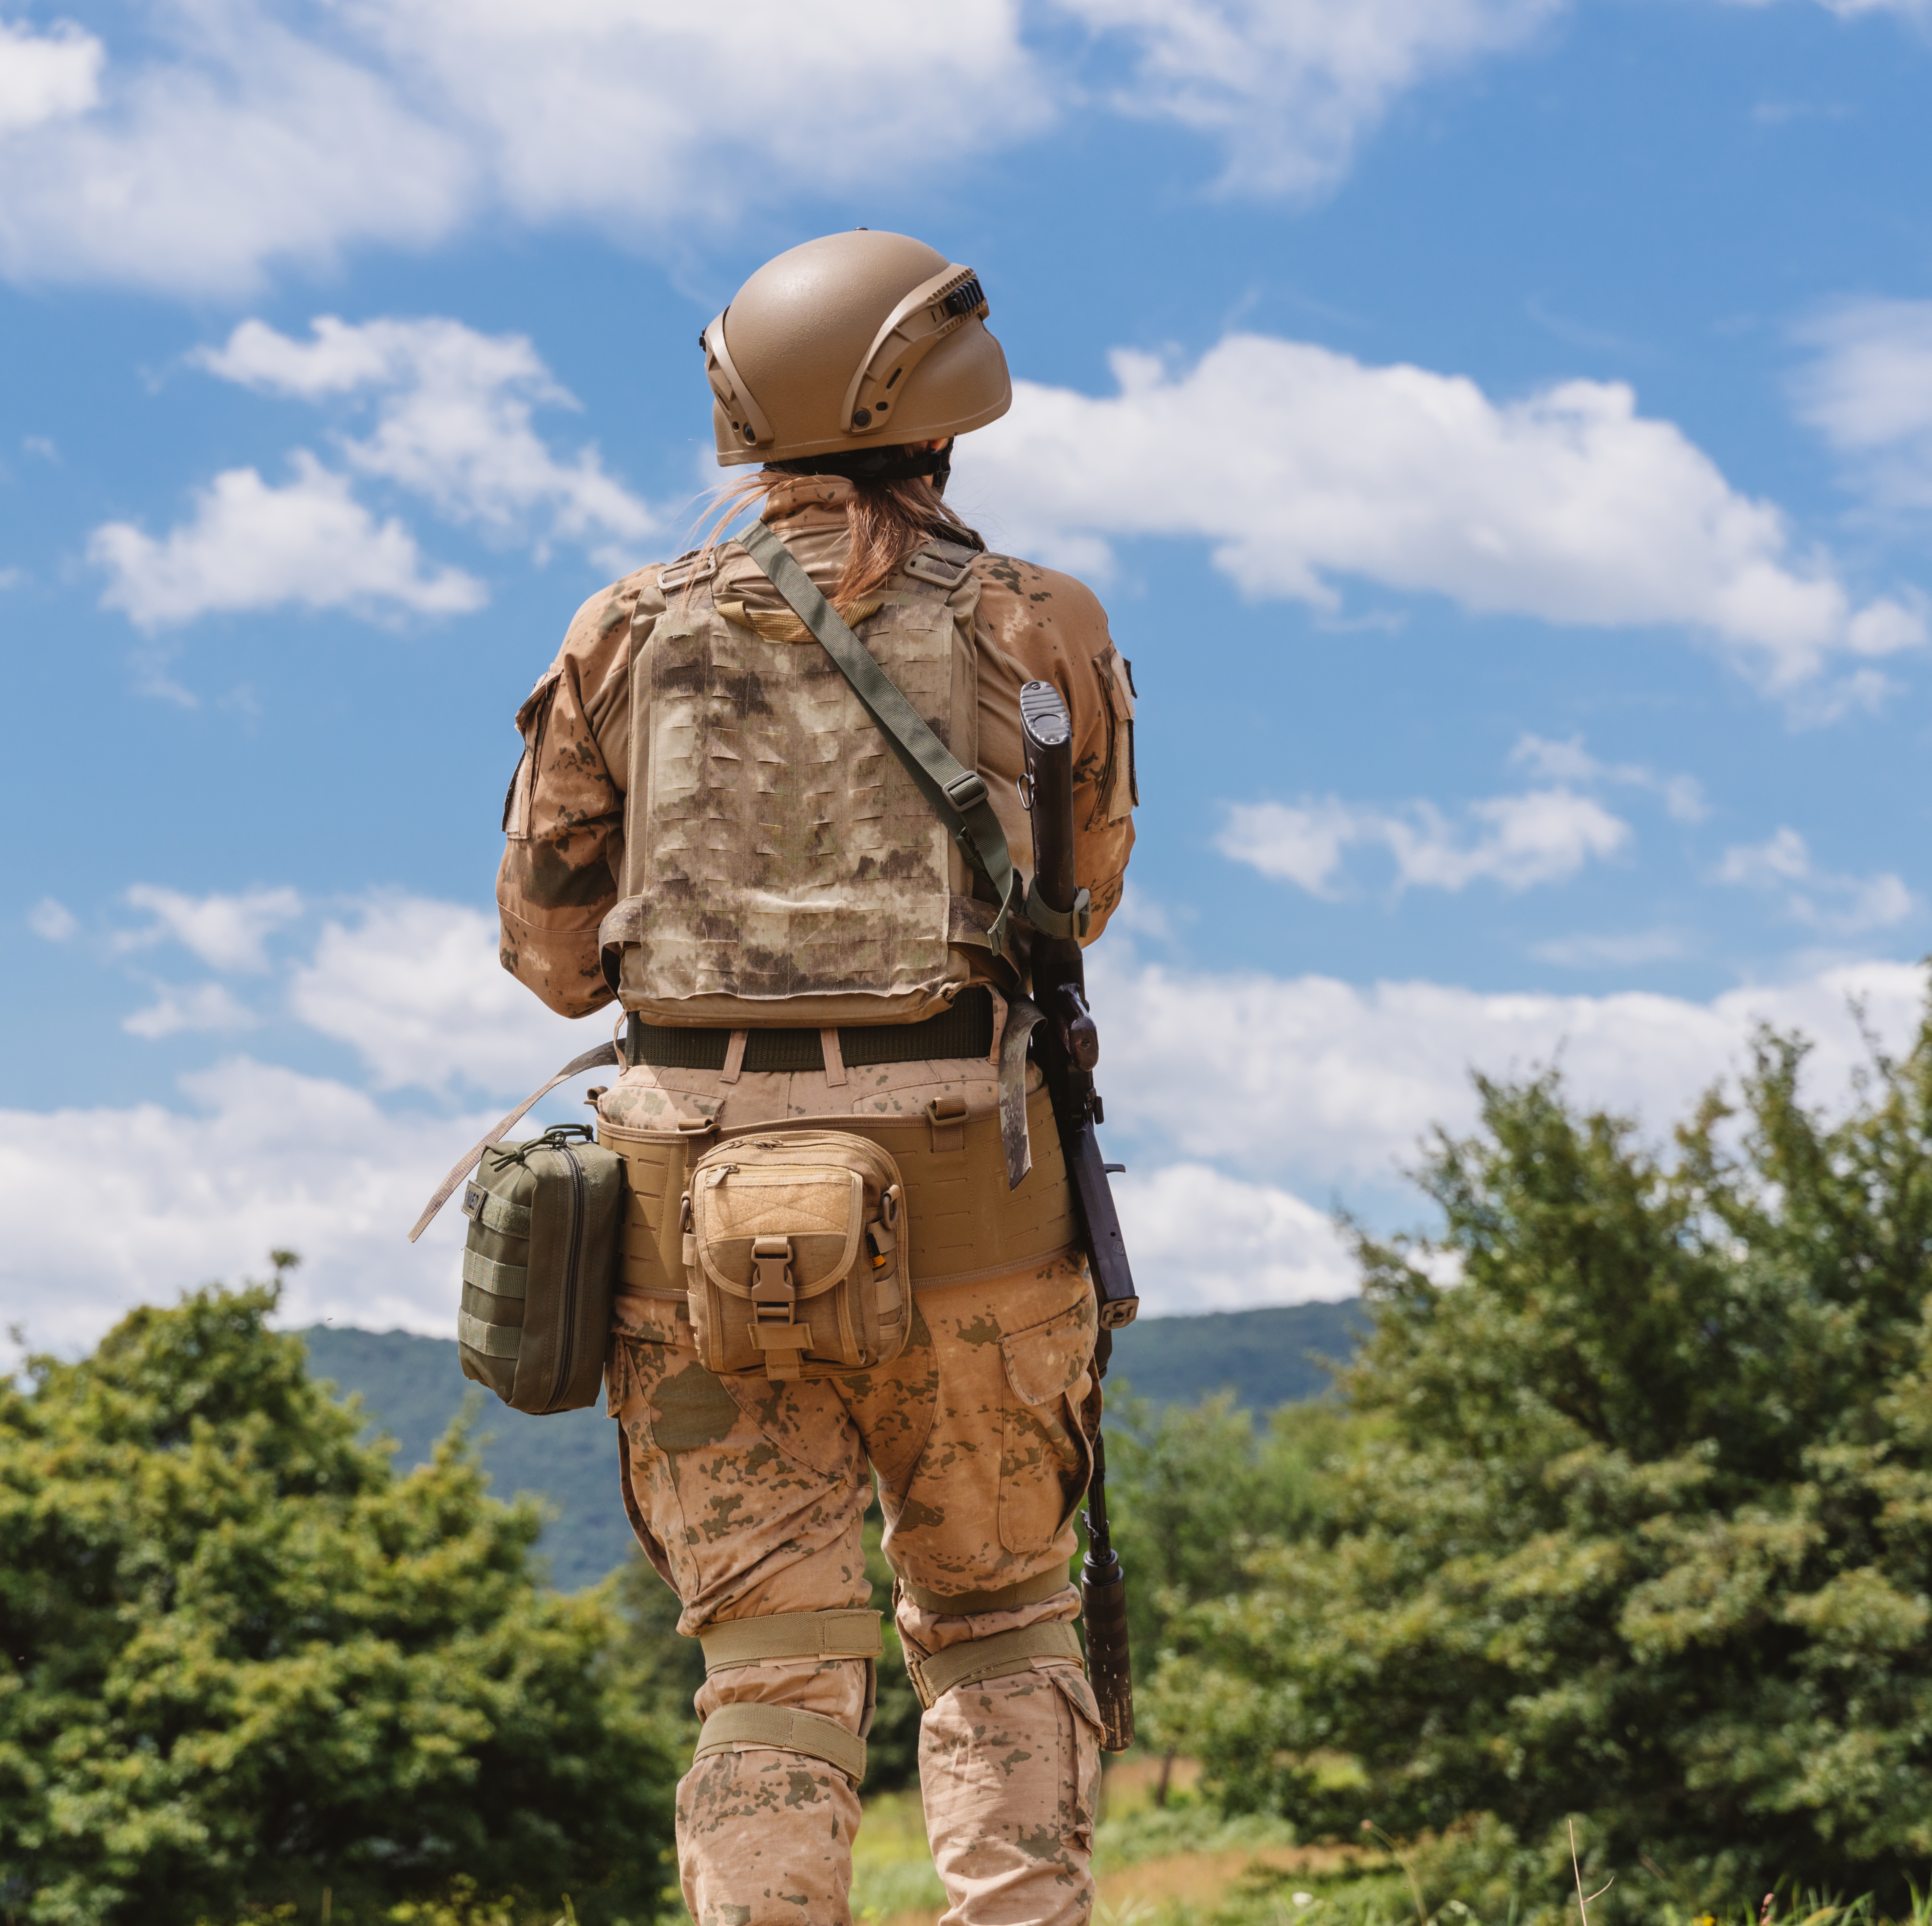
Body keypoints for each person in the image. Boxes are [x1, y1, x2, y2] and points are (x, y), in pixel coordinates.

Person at [495, 230, 1139, 1925]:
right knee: (997, 1628)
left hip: (687, 1232)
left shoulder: (622, 635)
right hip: (971, 1219)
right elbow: (1081, 904)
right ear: (943, 420)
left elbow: (551, 953)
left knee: (767, 1674)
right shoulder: (1038, 626)